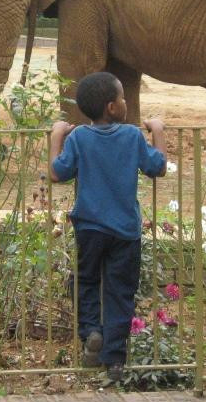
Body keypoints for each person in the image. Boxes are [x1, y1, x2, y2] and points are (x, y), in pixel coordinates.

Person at [49, 71, 167, 381]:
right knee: (120, 291)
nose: (126, 102)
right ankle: (115, 359)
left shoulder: (79, 137)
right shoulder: (131, 136)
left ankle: (91, 330)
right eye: (123, 98)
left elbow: (57, 172)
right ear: (112, 107)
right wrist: (158, 131)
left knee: (85, 281)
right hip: (125, 230)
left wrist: (56, 136)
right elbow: (157, 167)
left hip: (89, 228)